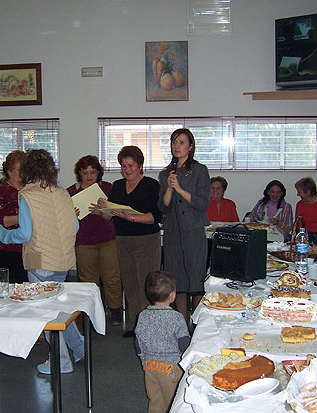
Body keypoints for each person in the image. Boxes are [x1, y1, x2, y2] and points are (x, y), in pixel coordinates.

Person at [0, 149, 83, 375]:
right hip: (63, 260)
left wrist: (0, 232)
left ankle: (61, 362)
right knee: (59, 310)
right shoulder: (62, 193)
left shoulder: (28, 196)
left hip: (39, 261)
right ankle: (79, 348)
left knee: (47, 315)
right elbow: (76, 226)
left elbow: (23, 235)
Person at [97, 146, 162, 337]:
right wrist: (103, 209)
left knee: (146, 284)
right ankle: (134, 325)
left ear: (140, 165)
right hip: (123, 239)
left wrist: (131, 217)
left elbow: (155, 217)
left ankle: (148, 327)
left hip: (146, 239)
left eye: (130, 165)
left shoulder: (151, 185)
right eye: (123, 166)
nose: (127, 170)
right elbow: (108, 218)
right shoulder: (117, 186)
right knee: (130, 283)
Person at [159, 128, 211, 324]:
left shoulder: (199, 170)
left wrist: (179, 188)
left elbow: (202, 203)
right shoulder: (165, 174)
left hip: (193, 231)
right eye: (174, 142)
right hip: (172, 232)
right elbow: (162, 206)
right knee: (177, 281)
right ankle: (182, 324)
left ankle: (198, 326)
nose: (176, 146)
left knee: (196, 281)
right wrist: (171, 189)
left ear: (190, 147)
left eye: (181, 142)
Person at [67, 155, 123, 326]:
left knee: (112, 276)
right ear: (80, 173)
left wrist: (101, 212)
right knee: (88, 280)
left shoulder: (107, 188)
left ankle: (115, 311)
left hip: (107, 238)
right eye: (85, 173)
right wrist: (72, 216)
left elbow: (114, 215)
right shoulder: (70, 192)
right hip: (83, 240)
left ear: (99, 172)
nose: (89, 176)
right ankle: (91, 313)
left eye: (93, 172)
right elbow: (65, 220)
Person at [135, 271, 190, 413]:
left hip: (150, 366)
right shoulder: (176, 318)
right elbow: (184, 344)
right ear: (172, 295)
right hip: (171, 368)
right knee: (173, 402)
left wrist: (143, 361)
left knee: (155, 400)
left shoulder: (142, 316)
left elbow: (138, 343)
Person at [0, 150, 27, 283]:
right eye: (20, 170)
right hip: (3, 249)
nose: (23, 173)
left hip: (26, 248)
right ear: (9, 171)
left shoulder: (31, 190)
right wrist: (27, 218)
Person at [294, 177, 317, 241]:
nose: (297, 194)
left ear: (308, 192)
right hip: (304, 236)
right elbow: (297, 224)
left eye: (299, 192)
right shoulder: (300, 204)